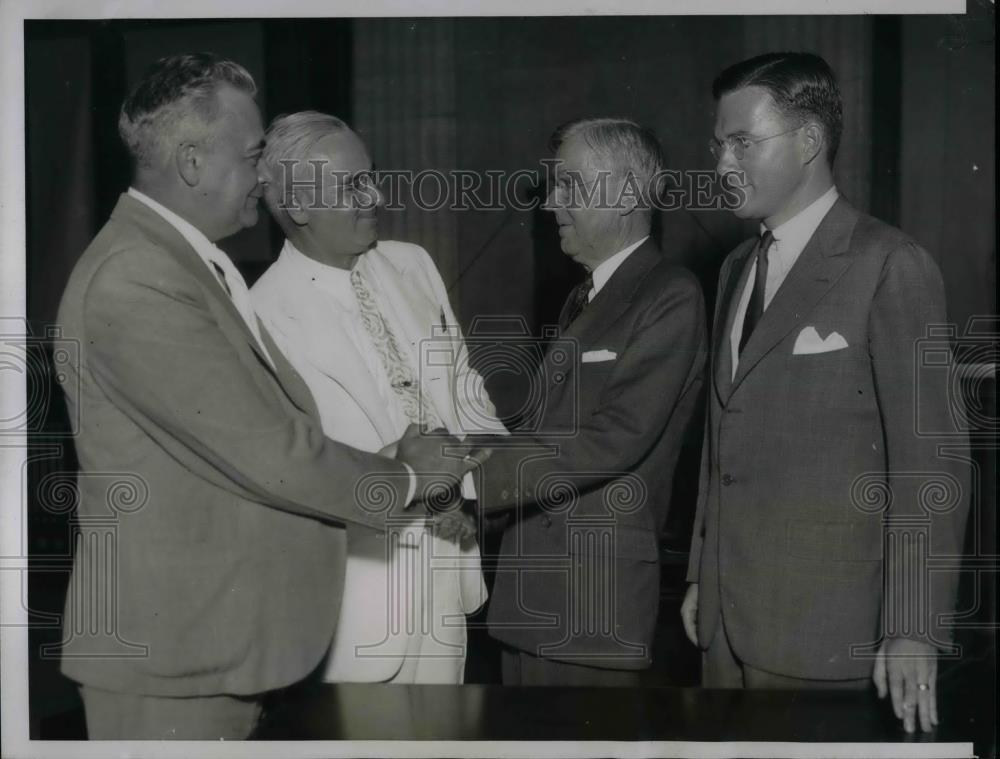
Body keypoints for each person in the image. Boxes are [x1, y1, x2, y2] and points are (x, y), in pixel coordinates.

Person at [56, 54, 479, 740]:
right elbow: (269, 448)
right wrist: (406, 475)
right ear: (192, 162)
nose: (265, 175)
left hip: (209, 648)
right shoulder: (137, 276)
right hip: (175, 658)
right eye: (253, 154)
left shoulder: (181, 263)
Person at [681, 52, 970, 733]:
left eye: (742, 142)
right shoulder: (732, 270)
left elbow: (933, 463)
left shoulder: (889, 263)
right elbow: (726, 437)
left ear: (809, 141)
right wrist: (702, 571)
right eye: (717, 144)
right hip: (725, 628)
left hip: (829, 636)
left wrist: (914, 626)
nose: (722, 162)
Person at [252, 111, 505, 684]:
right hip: (358, 597)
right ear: (297, 207)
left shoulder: (412, 263)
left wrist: (475, 483)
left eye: (372, 175)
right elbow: (291, 476)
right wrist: (403, 470)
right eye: (351, 186)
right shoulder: (263, 314)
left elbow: (462, 386)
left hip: (448, 561)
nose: (376, 195)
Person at [473, 118, 708, 686]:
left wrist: (473, 480)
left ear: (626, 194)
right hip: (532, 599)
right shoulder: (585, 296)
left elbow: (615, 438)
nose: (552, 202)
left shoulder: (668, 295)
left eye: (569, 186)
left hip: (592, 608)